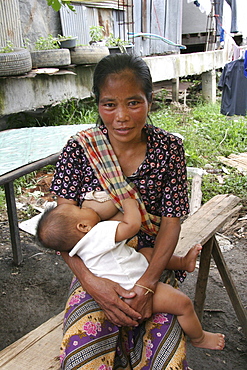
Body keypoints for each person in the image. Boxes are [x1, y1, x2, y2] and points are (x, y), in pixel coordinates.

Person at [49, 53, 201, 369]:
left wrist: (147, 284)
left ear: (149, 100)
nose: (121, 116)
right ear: (98, 104)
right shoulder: (80, 149)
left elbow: (171, 224)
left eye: (133, 103)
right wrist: (91, 283)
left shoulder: (168, 150)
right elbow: (64, 230)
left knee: (166, 357)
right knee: (83, 357)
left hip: (148, 262)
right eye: (109, 105)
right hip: (96, 266)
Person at [36, 198, 225, 352]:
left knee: (147, 253)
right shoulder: (98, 233)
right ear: (83, 226)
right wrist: (128, 202)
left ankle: (183, 263)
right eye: (79, 209)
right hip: (132, 290)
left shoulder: (78, 249)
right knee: (182, 304)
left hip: (126, 278)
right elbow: (131, 225)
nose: (83, 206)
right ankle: (199, 337)